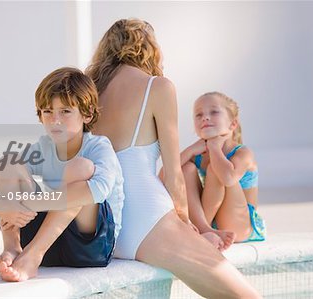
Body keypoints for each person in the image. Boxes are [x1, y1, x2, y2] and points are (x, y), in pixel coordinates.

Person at [86, 18, 261, 298]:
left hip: (102, 225)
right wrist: (184, 219)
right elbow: (173, 171)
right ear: (149, 48)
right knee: (246, 296)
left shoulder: (90, 91)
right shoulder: (158, 87)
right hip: (148, 218)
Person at [0, 67, 124, 282]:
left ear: (86, 114)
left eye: (65, 111)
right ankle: (13, 249)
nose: (55, 120)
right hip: (52, 241)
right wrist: (5, 206)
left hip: (91, 245)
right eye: (48, 111)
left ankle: (32, 256)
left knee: (81, 168)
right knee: (8, 162)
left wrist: (28, 204)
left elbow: (99, 189)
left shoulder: (98, 146)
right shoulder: (43, 148)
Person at [181, 92, 265, 249]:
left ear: (233, 124)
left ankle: (200, 230)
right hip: (212, 224)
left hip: (240, 224)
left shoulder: (243, 153)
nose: (205, 117)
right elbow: (166, 176)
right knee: (185, 168)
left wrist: (214, 148)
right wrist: (191, 150)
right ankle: (204, 228)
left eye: (214, 112)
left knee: (216, 169)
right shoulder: (198, 154)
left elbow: (228, 179)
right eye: (199, 115)